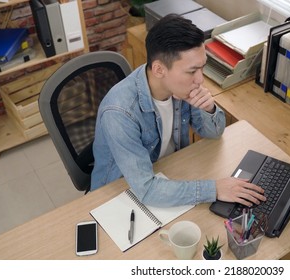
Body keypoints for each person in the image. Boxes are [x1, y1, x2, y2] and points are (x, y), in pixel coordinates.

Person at [91, 14, 266, 207]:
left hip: (167, 171)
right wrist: (214, 189)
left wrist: (209, 108)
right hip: (120, 192)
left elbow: (214, 133)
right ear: (159, 70)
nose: (200, 80)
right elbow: (147, 189)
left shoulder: (181, 87)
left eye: (202, 67)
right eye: (192, 71)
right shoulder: (119, 113)